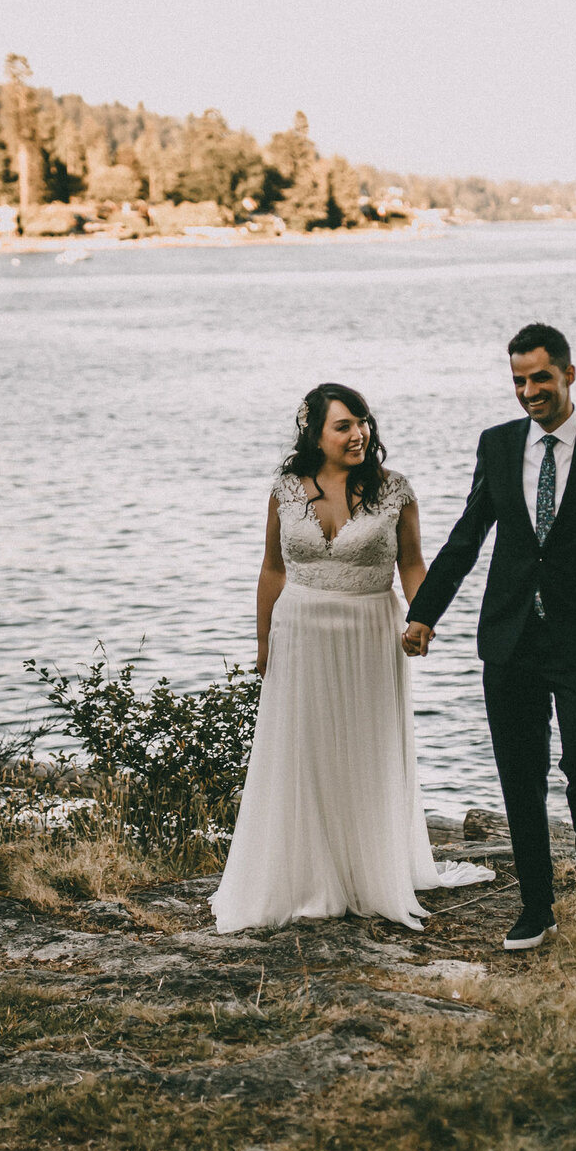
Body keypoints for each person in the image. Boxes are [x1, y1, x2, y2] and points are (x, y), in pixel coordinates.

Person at [402, 323, 576, 952]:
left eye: (540, 378)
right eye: (518, 380)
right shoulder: (496, 447)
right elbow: (466, 538)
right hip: (510, 637)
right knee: (518, 772)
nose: (528, 392)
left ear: (569, 374)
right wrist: (424, 612)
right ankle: (536, 904)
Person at [211, 383, 494, 933]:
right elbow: (272, 568)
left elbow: (413, 564)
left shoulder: (395, 491)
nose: (358, 433)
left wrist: (423, 617)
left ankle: (367, 871)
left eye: (361, 421)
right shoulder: (286, 489)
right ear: (314, 434)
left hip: (369, 630)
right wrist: (264, 643)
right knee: (304, 748)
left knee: (366, 747)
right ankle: (305, 874)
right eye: (342, 426)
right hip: (299, 631)